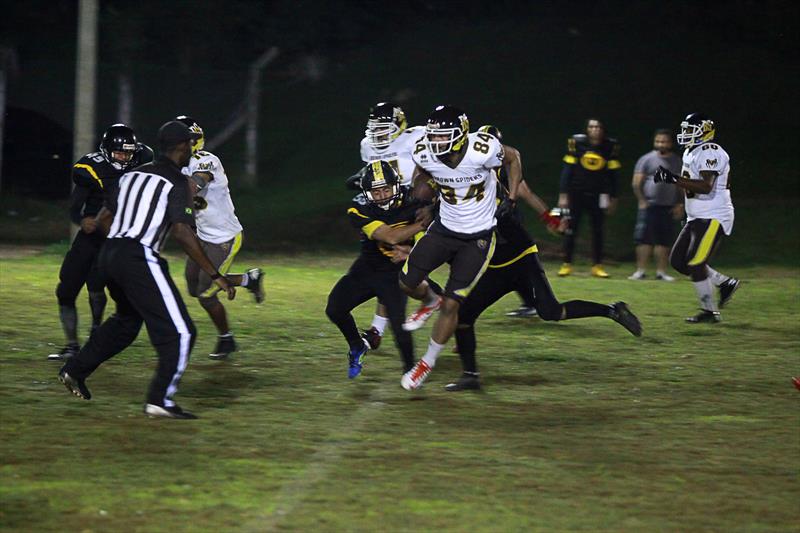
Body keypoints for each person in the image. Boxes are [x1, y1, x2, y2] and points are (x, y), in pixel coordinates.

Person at [58, 120, 236, 419]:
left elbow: (103, 220)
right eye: (190, 146)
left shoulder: (132, 175)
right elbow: (182, 232)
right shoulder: (179, 182)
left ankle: (74, 370)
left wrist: (119, 244)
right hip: (137, 256)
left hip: (109, 253)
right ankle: (159, 400)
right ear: (183, 147)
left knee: (126, 322)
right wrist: (216, 274)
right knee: (181, 332)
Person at [447, 187, 642, 391]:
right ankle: (470, 376)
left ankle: (612, 310)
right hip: (496, 268)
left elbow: (523, 186)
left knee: (551, 312)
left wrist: (551, 219)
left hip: (523, 260)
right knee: (464, 316)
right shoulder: (454, 196)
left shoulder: (489, 179)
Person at [399, 105, 519, 390]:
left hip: (477, 237)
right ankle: (430, 299)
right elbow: (421, 173)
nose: (437, 141)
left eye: (444, 136)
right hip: (443, 229)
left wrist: (512, 199)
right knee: (406, 282)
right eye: (435, 136)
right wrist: (424, 193)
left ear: (461, 134)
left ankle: (426, 362)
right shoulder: (424, 149)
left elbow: (514, 159)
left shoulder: (483, 147)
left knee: (453, 303)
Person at [48, 124, 153, 361]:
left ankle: (97, 333)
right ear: (106, 151)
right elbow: (75, 208)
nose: (124, 158)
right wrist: (83, 220)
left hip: (121, 236)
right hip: (93, 235)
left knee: (101, 287)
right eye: (119, 153)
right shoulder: (90, 169)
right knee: (66, 290)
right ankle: (72, 345)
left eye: (128, 153)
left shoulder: (142, 158)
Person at [326, 161, 431, 378]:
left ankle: (410, 370)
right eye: (376, 191)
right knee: (335, 308)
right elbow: (389, 236)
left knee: (399, 325)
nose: (382, 195)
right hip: (367, 268)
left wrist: (411, 252)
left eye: (386, 189)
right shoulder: (359, 207)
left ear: (396, 186)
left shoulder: (414, 201)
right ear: (366, 192)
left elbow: (431, 239)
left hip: (395, 272)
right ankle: (357, 345)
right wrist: (421, 224)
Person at [353, 103, 440, 350]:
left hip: (413, 209)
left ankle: (448, 309)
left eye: (384, 128)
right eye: (375, 129)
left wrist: (430, 196)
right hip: (385, 211)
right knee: (392, 268)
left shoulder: (416, 138)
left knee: (398, 266)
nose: (378, 134)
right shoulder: (367, 145)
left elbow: (435, 170)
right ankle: (449, 310)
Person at [176, 115, 264, 360]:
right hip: (201, 234)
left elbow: (196, 184)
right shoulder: (176, 164)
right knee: (193, 287)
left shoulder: (207, 160)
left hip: (224, 237)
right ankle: (249, 280)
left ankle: (226, 339)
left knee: (206, 293)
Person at [655, 113, 740, 323]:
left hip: (714, 215)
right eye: (685, 129)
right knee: (677, 261)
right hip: (697, 216)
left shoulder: (711, 151)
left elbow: (705, 186)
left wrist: (672, 178)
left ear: (704, 131)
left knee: (696, 262)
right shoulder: (691, 152)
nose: (686, 134)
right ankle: (724, 283)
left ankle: (710, 312)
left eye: (691, 130)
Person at [476, 125, 561, 318]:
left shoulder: (506, 169)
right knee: (506, 263)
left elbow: (527, 194)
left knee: (505, 262)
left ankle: (538, 302)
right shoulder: (473, 166)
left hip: (506, 222)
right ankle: (532, 302)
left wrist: (549, 218)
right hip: (490, 222)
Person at [557, 118, 620, 278]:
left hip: (599, 194)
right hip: (576, 193)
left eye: (598, 126)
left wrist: (614, 197)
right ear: (587, 129)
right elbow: (567, 170)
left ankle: (597, 265)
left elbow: (613, 175)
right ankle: (567, 263)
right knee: (571, 229)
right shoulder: (577, 143)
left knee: (598, 230)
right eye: (592, 127)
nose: (595, 129)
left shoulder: (609, 146)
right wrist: (563, 194)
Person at [629, 129, 684, 281]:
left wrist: (680, 203)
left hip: (668, 206)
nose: (661, 144)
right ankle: (640, 271)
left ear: (670, 143)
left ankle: (661, 272)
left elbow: (680, 184)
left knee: (664, 240)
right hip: (649, 206)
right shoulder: (646, 159)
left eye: (664, 141)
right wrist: (642, 200)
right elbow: (636, 182)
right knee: (643, 239)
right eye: (658, 141)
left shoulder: (676, 161)